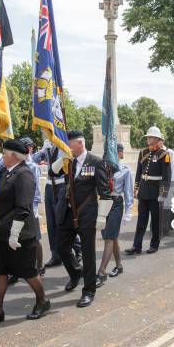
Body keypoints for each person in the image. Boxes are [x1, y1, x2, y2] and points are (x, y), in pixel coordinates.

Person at [0, 139, 49, 325]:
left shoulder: (24, 174)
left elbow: (23, 207)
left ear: (14, 156)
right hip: (0, 231)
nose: (2, 156)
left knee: (28, 272)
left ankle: (42, 301)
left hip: (19, 234)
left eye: (5, 153)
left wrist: (14, 234)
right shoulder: (4, 171)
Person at [51, 130, 109, 307]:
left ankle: (89, 291)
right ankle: (76, 273)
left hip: (87, 214)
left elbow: (105, 192)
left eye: (70, 144)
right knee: (61, 247)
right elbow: (53, 173)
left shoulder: (96, 162)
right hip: (68, 212)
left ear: (80, 144)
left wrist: (102, 216)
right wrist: (62, 160)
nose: (67, 147)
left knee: (88, 252)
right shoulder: (69, 161)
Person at [32, 140, 82, 267]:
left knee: (61, 221)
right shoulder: (49, 146)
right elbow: (32, 161)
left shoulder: (64, 146)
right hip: (49, 186)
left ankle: (78, 248)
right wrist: (43, 150)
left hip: (61, 185)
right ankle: (56, 255)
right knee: (51, 223)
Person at [125, 126, 171, 255]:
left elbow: (166, 176)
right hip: (144, 191)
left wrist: (163, 194)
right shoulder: (143, 152)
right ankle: (136, 246)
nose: (148, 139)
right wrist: (136, 189)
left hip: (156, 192)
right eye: (148, 137)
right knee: (141, 221)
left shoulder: (164, 155)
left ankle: (154, 245)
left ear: (157, 139)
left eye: (150, 137)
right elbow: (139, 172)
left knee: (156, 221)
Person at [96, 143, 134, 288]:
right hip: (104, 202)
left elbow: (129, 192)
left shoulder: (125, 170)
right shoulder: (103, 168)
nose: (120, 153)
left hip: (117, 203)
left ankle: (101, 272)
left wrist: (129, 211)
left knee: (109, 238)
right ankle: (119, 266)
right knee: (112, 236)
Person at [19, 137, 46, 276]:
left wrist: (35, 207)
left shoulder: (33, 166)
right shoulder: (16, 162)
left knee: (35, 238)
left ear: (29, 149)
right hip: (18, 206)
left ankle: (40, 266)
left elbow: (36, 189)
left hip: (30, 205)